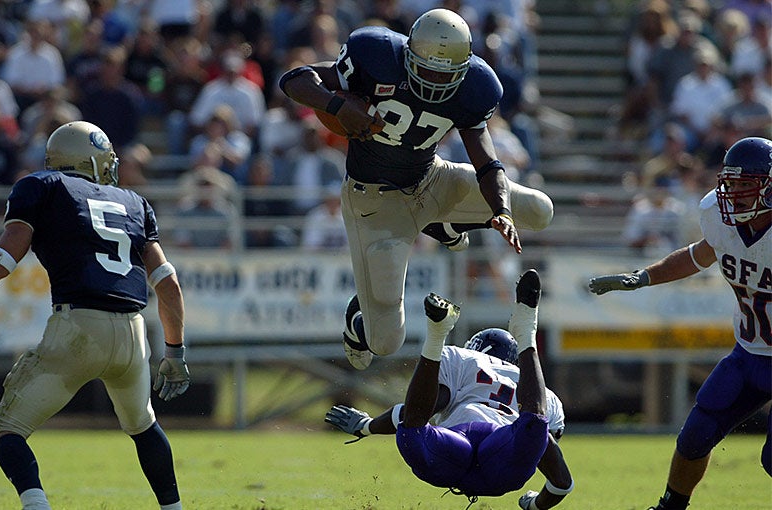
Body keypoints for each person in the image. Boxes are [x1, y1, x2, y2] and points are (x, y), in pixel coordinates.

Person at [279, 8, 554, 370]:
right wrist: (337, 107)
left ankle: (446, 224)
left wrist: (499, 211)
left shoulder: (477, 85)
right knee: (385, 342)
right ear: (408, 54)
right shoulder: (376, 54)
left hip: (431, 180)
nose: (433, 81)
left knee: (539, 210)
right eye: (425, 69)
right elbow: (295, 79)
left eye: (445, 74)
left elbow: (488, 163)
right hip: (375, 204)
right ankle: (357, 320)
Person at [0, 121, 190, 510]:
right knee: (144, 425)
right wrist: (175, 353)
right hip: (133, 334)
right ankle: (174, 508)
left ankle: (37, 506)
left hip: (78, 327)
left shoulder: (41, 186)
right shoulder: (135, 202)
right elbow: (167, 284)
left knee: (5, 429)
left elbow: (5, 259)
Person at [588, 136, 771, 510]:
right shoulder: (719, 217)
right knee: (696, 433)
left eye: (744, 185)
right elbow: (698, 255)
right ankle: (670, 507)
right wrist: (643, 276)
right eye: (730, 184)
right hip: (750, 353)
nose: (733, 194)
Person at [325, 269, 574, 509]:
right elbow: (559, 478)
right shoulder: (541, 393)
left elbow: (413, 413)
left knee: (412, 432)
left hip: (454, 445)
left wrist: (367, 426)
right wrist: (535, 505)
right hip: (502, 457)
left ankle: (436, 335)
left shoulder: (463, 359)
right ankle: (526, 332)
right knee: (534, 426)